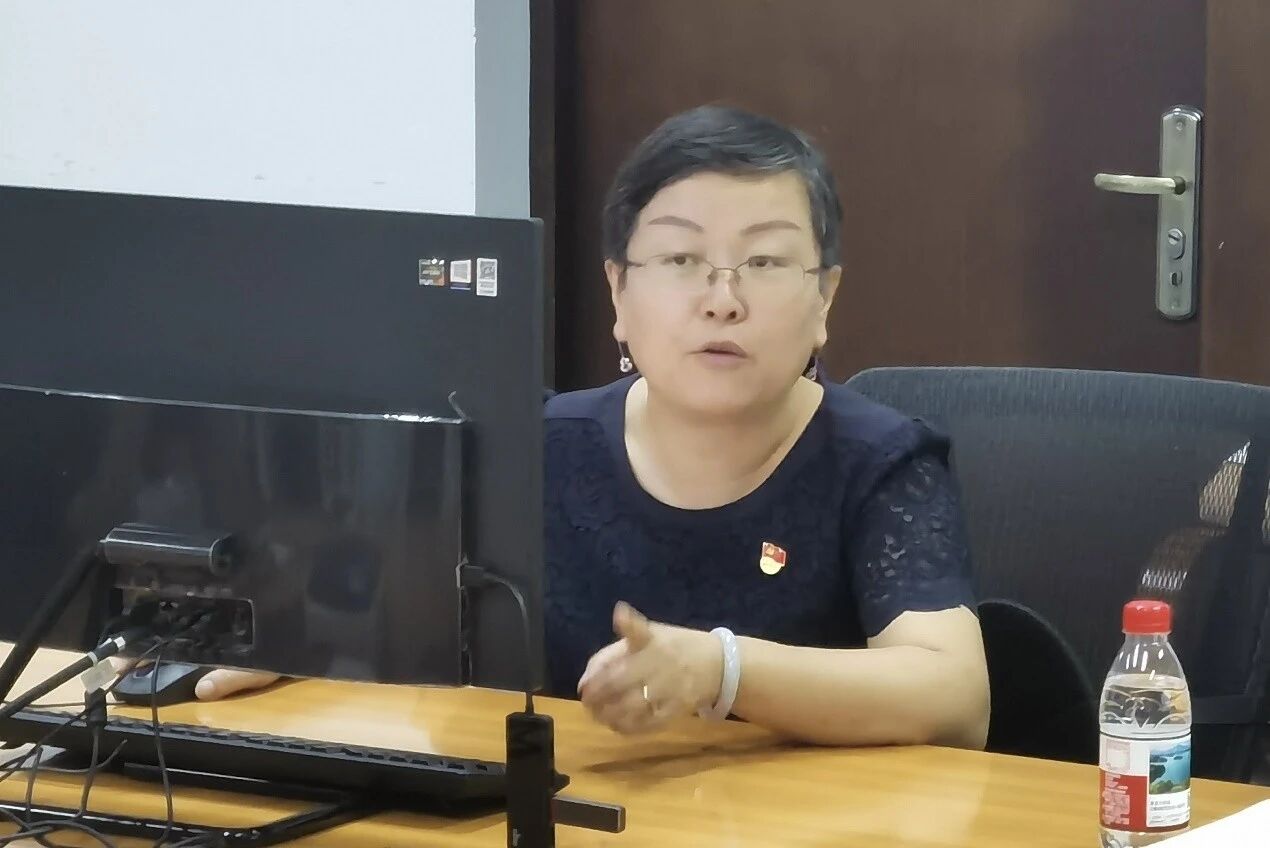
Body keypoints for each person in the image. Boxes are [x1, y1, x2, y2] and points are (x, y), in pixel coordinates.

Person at [189, 106, 990, 749]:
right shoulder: (536, 450)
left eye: (765, 263)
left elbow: (956, 699)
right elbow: (406, 626)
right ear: (618, 292)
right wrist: (297, 648)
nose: (722, 300)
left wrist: (721, 669)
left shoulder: (881, 460)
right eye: (680, 261)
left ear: (824, 299)